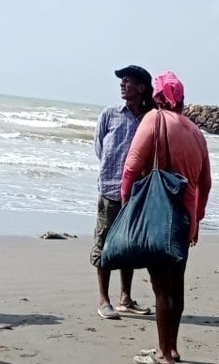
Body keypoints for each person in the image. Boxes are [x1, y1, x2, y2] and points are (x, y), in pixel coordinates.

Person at [123, 71, 212, 364]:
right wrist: (197, 218)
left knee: (161, 287)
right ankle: (171, 348)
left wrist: (127, 208)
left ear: (156, 97)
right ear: (183, 100)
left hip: (159, 213)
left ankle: (162, 355)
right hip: (185, 217)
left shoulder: (154, 119)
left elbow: (131, 168)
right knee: (176, 284)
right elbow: (205, 182)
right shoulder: (196, 132)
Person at [91, 65, 156, 320]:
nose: (122, 85)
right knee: (104, 243)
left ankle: (125, 298)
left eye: (127, 81)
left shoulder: (150, 118)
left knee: (127, 245)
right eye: (122, 81)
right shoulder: (110, 115)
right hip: (110, 189)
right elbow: (100, 148)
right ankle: (103, 299)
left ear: (141, 88)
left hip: (137, 193)